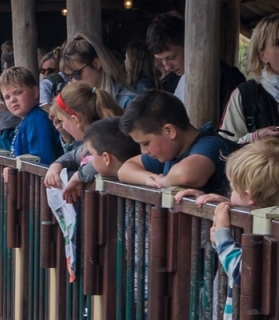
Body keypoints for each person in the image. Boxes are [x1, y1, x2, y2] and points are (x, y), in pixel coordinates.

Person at [173, 138, 279, 320]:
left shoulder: (269, 234)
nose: (229, 195)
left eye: (232, 190)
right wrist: (228, 207)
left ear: (249, 195)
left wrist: (223, 237)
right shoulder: (263, 220)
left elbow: (243, 274)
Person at [118, 91, 236, 195]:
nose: (144, 151)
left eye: (146, 143)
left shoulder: (211, 145)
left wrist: (164, 181)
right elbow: (124, 170)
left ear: (169, 131)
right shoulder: (169, 152)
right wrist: (150, 179)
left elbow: (185, 175)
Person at [42, 83, 125, 201]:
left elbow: (102, 162)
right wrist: (56, 166)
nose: (63, 126)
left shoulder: (111, 138)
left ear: (75, 120)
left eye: (62, 120)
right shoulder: (90, 143)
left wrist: (78, 177)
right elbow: (72, 155)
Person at [147, 13, 246, 109]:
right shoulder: (172, 81)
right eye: (161, 60)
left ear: (188, 45)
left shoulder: (228, 79)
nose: (167, 67)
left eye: (171, 57)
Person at [219, 14, 279, 145]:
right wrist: (255, 138)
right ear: (263, 56)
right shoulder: (246, 95)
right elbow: (225, 148)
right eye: (278, 43)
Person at [2, 66, 63, 165]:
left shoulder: (37, 119)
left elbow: (41, 161)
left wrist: (13, 172)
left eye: (18, 93)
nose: (12, 100)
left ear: (35, 92)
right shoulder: (29, 118)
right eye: (7, 97)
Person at [61, 33, 139, 108]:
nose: (73, 82)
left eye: (76, 74)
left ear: (96, 64)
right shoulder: (81, 105)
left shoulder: (129, 103)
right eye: (68, 77)